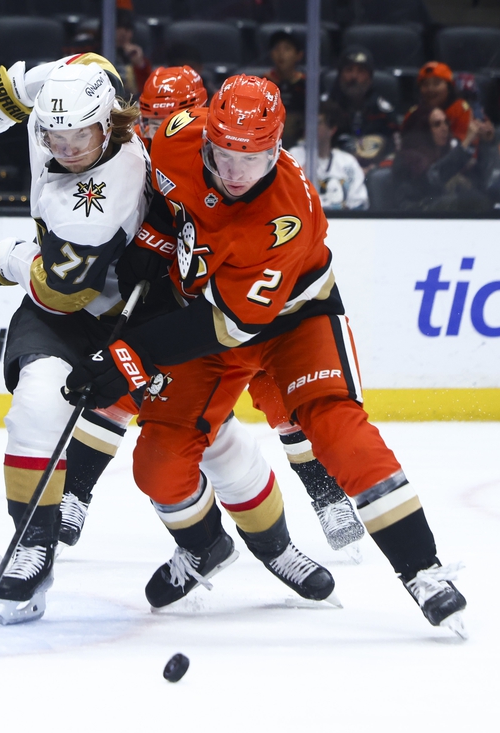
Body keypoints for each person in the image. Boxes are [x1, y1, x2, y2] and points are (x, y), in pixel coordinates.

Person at [71, 74, 467, 634]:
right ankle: (205, 546)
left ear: (277, 148)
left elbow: (228, 325)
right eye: (225, 155)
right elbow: (166, 196)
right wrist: (152, 245)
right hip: (206, 314)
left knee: (335, 426)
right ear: (207, 136)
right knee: (158, 463)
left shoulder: (287, 215)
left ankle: (422, 569)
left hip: (291, 323)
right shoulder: (176, 136)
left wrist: (132, 352)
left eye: (253, 159)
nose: (236, 172)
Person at [0, 55, 335, 625]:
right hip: (73, 313)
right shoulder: (80, 92)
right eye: (55, 134)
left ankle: (271, 547)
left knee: (209, 436)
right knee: (36, 406)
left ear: (108, 122)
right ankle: (33, 547)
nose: (68, 148)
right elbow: (74, 68)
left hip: (139, 315)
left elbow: (62, 286)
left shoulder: (113, 190)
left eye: (82, 135)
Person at [139, 67, 366, 552]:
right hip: (206, 309)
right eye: (149, 120)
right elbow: (169, 210)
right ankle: (75, 496)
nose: (156, 129)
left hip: (262, 311)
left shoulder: (251, 170)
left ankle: (326, 495)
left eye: (166, 118)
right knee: (145, 405)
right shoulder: (168, 152)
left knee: (286, 408)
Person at [392, 106, 497, 212]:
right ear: (423, 129)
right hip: (416, 214)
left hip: (449, 215)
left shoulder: (448, 152)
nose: (444, 128)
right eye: (437, 124)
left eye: (446, 123)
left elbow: (481, 181)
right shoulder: (408, 157)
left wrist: (487, 144)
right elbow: (433, 177)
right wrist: (467, 142)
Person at [324, 46, 398, 172]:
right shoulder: (326, 107)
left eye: (361, 71)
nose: (354, 76)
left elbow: (394, 150)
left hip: (373, 170)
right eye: (349, 70)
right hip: (332, 169)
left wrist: (374, 168)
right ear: (340, 75)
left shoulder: (383, 111)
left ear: (370, 76)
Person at [289, 100, 369, 210]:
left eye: (318, 123)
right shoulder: (293, 157)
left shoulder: (348, 162)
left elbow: (358, 204)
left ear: (332, 130)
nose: (311, 127)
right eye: (309, 122)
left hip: (342, 220)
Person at [402, 62, 474, 144]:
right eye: (425, 84)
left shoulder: (459, 109)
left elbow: (461, 146)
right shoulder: (413, 114)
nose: (430, 89)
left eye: (436, 83)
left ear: (449, 87)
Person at [263, 29, 306, 149]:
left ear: (299, 55)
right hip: (267, 143)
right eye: (277, 49)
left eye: (287, 49)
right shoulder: (263, 82)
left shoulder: (306, 84)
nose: (281, 54)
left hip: (301, 145)